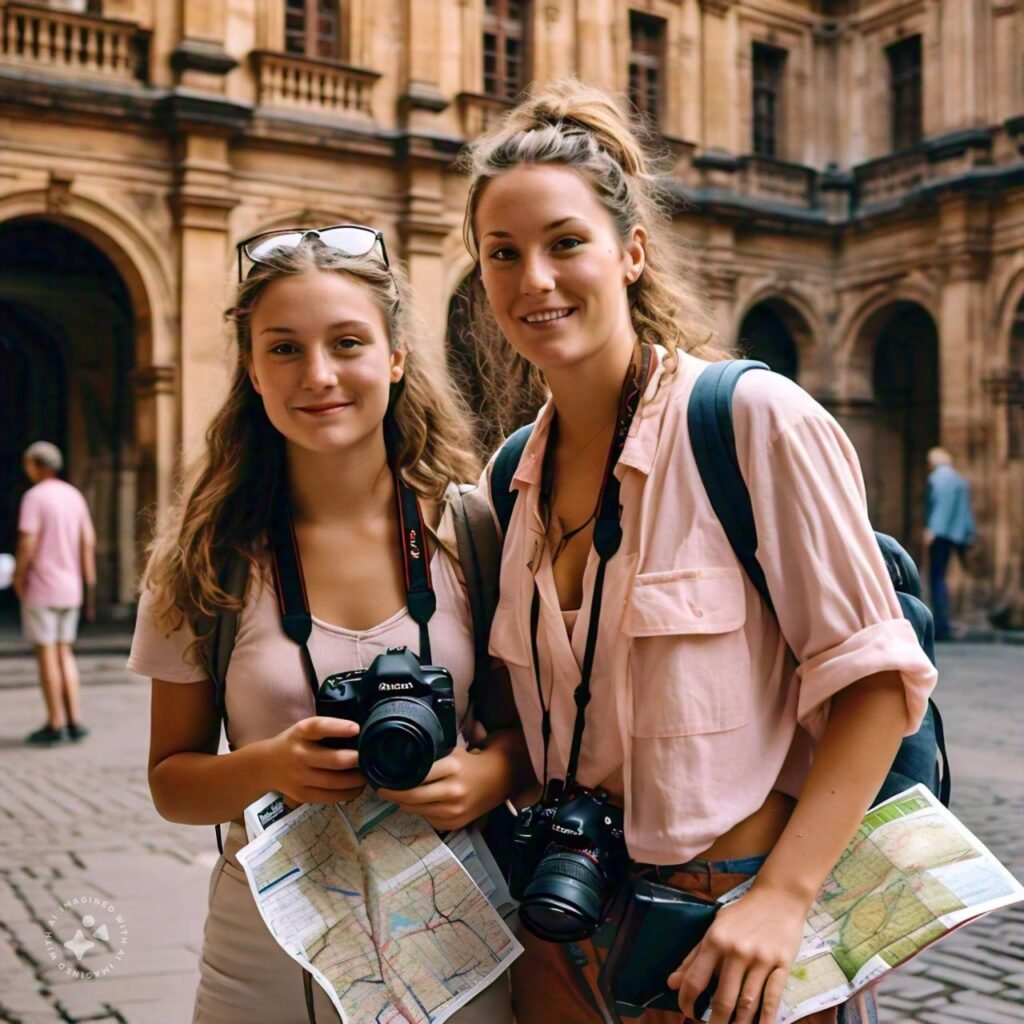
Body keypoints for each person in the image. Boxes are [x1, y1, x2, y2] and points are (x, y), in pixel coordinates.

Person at [461, 81, 938, 1024]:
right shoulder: (511, 474)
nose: (534, 281)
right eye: (502, 254)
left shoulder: (749, 420)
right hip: (563, 922)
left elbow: (877, 686)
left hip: (727, 935)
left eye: (566, 243)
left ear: (631, 252)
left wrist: (783, 899)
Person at [128, 229, 530, 1024]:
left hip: (459, 950)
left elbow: (528, 730)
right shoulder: (204, 557)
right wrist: (270, 765)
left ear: (396, 357)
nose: (317, 375)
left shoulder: (474, 531)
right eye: (283, 349)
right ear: (251, 369)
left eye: (347, 342)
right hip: (268, 962)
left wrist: (487, 776)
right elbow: (173, 782)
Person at [14, 440, 96, 745]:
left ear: (36, 464)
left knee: (47, 654)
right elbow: (87, 541)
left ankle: (55, 722)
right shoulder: (73, 495)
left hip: (43, 586)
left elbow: (27, 543)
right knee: (65, 651)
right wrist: (89, 586)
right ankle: (75, 719)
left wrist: (19, 577)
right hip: (70, 587)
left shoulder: (34, 497)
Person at [924, 446, 975, 641]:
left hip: (942, 534)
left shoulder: (938, 479)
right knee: (955, 575)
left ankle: (941, 625)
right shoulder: (960, 480)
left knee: (936, 577)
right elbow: (966, 510)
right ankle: (956, 617)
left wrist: (932, 530)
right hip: (959, 533)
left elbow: (941, 506)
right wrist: (969, 532)